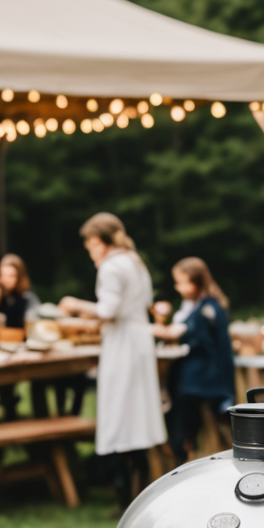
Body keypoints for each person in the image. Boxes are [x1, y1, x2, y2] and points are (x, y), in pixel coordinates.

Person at [59, 213, 166, 505]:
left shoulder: (111, 266)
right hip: (140, 341)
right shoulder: (134, 261)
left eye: (91, 245)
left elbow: (108, 310)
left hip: (123, 346)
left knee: (119, 417)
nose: (91, 252)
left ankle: (123, 503)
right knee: (138, 419)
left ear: (101, 242)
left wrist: (73, 303)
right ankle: (141, 497)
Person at [156, 257, 236, 463]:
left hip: (207, 375)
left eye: (180, 282)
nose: (177, 287)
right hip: (200, 371)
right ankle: (179, 445)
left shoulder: (207, 309)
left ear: (194, 283)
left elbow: (179, 332)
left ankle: (181, 447)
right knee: (175, 389)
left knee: (180, 397)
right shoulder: (196, 305)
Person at [0, 253, 40, 329]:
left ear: (19, 276)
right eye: (3, 275)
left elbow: (30, 321)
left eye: (11, 276)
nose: (6, 280)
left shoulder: (27, 298)